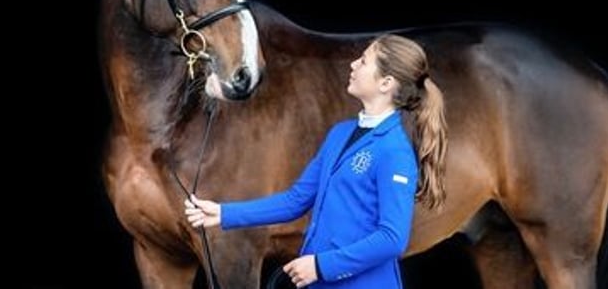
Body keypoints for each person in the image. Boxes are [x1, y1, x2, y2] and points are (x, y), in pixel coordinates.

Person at [185, 34, 448, 288]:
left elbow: (392, 239)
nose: (353, 64)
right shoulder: (340, 133)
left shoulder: (395, 152)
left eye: (364, 61)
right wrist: (223, 213)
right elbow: (296, 200)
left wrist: (322, 266)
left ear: (386, 83)